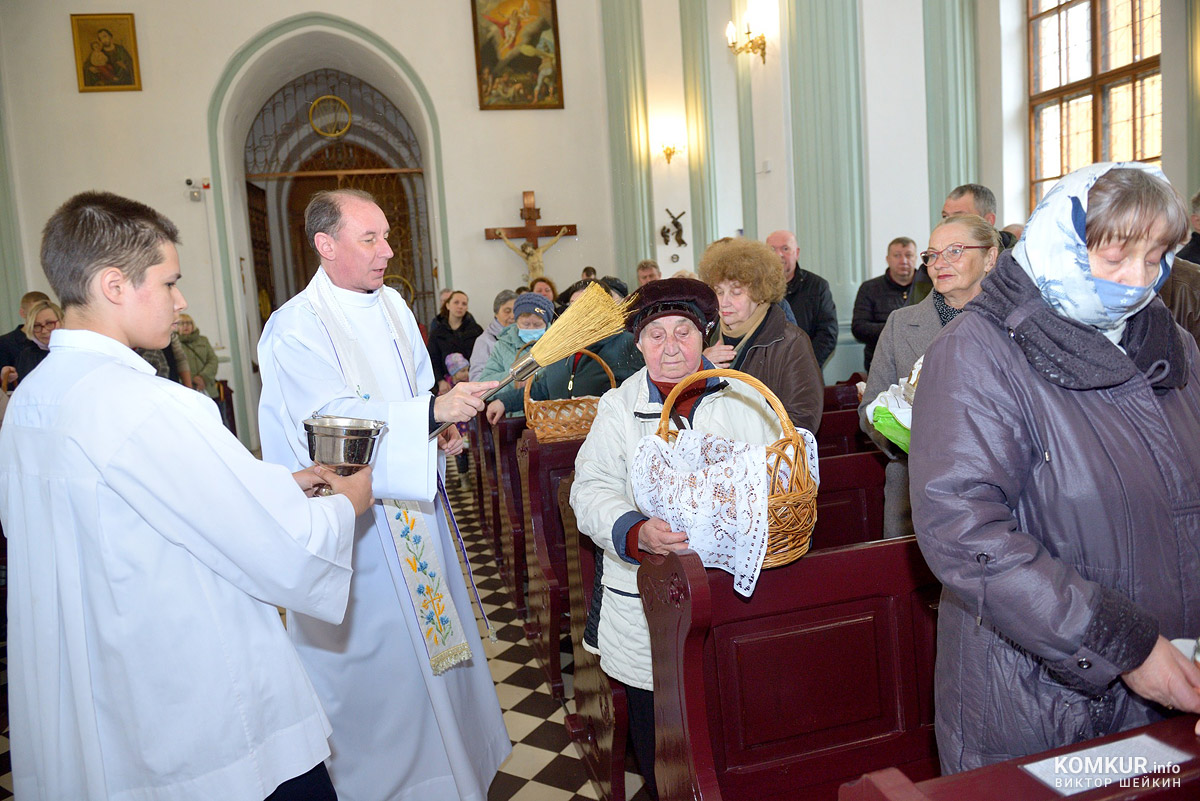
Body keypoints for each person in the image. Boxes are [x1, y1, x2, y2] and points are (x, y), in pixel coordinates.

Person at [0, 190, 373, 800]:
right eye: (169, 282)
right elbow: (272, 546)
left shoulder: (32, 403)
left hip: (95, 693)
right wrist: (344, 505)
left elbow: (147, 505)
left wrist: (281, 482)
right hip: (192, 708)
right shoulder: (149, 404)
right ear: (115, 285)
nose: (181, 300)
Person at [909, 163, 1200, 774]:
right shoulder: (977, 351)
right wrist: (1123, 644)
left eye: (1154, 259)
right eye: (1116, 257)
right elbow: (963, 533)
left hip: (1174, 670)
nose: (1136, 281)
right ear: (1060, 242)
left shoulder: (1174, 346)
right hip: (1041, 695)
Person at [257, 188, 510, 801]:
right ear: (325, 245)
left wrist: (440, 426)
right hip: (356, 533)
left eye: (387, 236)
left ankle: (452, 780)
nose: (387, 251)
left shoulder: (394, 303)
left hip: (415, 514)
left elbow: (418, 387)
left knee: (435, 658)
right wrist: (428, 413)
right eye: (370, 239)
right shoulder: (294, 328)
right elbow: (333, 424)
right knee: (378, 673)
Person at [570, 277, 782, 799]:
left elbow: (781, 472)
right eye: (656, 335)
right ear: (638, 344)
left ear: (705, 336)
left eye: (683, 333)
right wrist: (636, 530)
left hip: (731, 590)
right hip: (646, 600)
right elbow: (590, 490)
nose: (670, 348)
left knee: (729, 713)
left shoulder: (746, 399)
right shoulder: (618, 408)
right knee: (659, 727)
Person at [859, 214, 998, 539]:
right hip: (916, 494)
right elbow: (868, 413)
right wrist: (905, 428)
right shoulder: (901, 323)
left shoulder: (1016, 324)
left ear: (990, 257)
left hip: (999, 497)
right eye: (932, 255)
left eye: (955, 251)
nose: (939, 263)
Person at [697, 238, 824, 433]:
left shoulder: (791, 342)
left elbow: (802, 420)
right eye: (719, 291)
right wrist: (700, 366)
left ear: (761, 293)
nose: (724, 302)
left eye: (736, 292)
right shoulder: (705, 334)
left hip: (767, 458)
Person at [485, 280, 643, 424]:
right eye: (572, 305)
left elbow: (637, 394)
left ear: (603, 310)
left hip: (605, 438)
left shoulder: (627, 344)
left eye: (583, 305)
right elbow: (545, 388)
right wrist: (504, 402)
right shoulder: (562, 346)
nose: (574, 312)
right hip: (560, 435)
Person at [910, 184, 1018, 305]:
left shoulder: (1020, 267)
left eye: (959, 216)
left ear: (989, 220)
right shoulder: (928, 269)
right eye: (945, 216)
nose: (949, 223)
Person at [765, 230, 838, 366]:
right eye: (772, 249)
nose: (778, 254)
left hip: (806, 368)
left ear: (797, 253)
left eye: (785, 249)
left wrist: (805, 364)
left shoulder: (817, 286)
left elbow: (827, 333)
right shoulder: (756, 288)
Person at [479, 291, 555, 416]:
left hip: (550, 415)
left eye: (537, 325)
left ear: (546, 324)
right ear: (516, 321)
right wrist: (513, 379)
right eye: (525, 324)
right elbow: (485, 384)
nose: (531, 329)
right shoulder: (503, 345)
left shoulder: (557, 343)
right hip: (515, 415)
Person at [851, 237, 918, 371]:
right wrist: (896, 327)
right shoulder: (869, 288)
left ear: (916, 258)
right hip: (880, 363)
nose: (903, 261)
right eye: (897, 255)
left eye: (909, 255)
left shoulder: (931, 288)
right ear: (888, 259)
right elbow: (859, 328)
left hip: (921, 363)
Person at [426, 289, 483, 390]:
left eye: (464, 304)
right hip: (446, 385)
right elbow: (432, 359)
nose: (460, 306)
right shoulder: (437, 332)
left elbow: (483, 357)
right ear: (447, 305)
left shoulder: (475, 330)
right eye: (456, 302)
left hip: (471, 382)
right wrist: (440, 381)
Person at [0, 290, 50, 383]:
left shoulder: (55, 341)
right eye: (34, 313)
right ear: (22, 313)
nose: (40, 317)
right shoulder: (4, 343)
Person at [469, 288, 517, 381]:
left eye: (515, 311)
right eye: (507, 311)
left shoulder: (522, 335)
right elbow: (476, 378)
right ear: (496, 313)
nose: (512, 316)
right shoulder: (484, 341)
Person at [12, 298, 62, 381]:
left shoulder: (76, 351)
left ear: (62, 321)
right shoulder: (26, 356)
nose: (44, 331)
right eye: (37, 326)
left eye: (49, 323)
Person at [176, 312, 220, 398]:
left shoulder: (203, 340)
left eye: (189, 323)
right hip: (186, 390)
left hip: (207, 388)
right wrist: (192, 380)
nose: (186, 326)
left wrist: (203, 377)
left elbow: (213, 360)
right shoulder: (173, 344)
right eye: (182, 323)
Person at [497, 226, 567, 280]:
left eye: (527, 248)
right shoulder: (526, 257)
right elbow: (513, 247)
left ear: (531, 246)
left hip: (542, 279)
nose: (527, 251)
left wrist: (560, 234)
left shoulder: (540, 251)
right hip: (533, 280)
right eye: (525, 250)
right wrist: (503, 237)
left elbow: (551, 243)